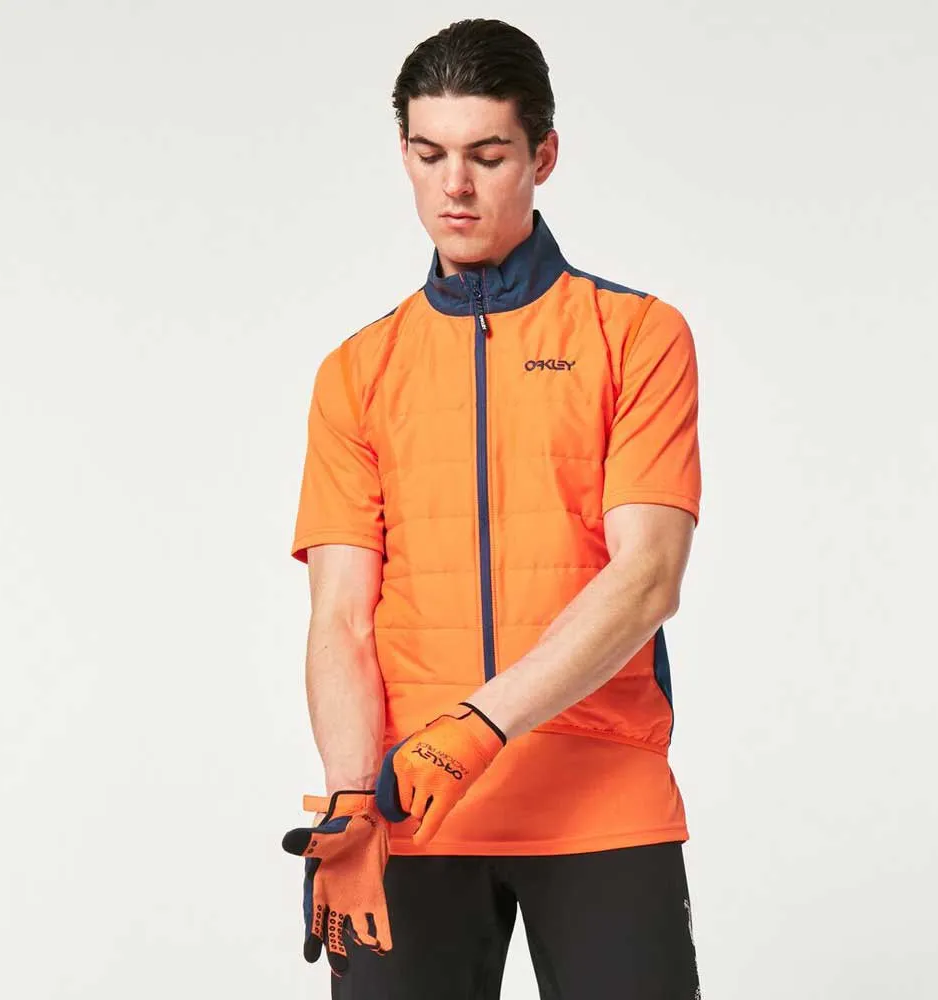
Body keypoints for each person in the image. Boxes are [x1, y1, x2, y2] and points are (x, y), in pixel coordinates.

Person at [281, 18, 703, 1000]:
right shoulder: (357, 371)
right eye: (429, 155)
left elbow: (647, 576)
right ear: (404, 155)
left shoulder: (636, 336)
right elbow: (340, 617)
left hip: (600, 803)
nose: (455, 187)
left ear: (542, 156)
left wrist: (475, 727)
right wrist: (349, 797)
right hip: (410, 815)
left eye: (487, 154)